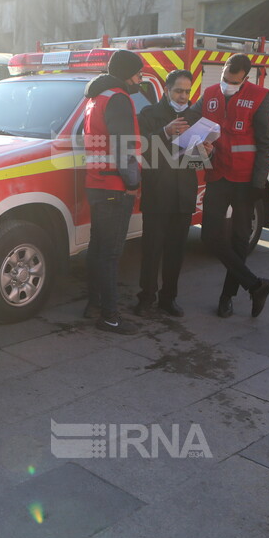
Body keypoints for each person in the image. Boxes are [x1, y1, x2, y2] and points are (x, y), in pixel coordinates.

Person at [195, 53, 269, 319]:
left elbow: (265, 143)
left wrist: (258, 183)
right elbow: (190, 119)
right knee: (209, 236)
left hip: (244, 181)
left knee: (240, 240)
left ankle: (227, 297)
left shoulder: (261, 96)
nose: (227, 84)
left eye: (233, 81)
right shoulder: (209, 94)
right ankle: (255, 285)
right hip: (217, 175)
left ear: (245, 78)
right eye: (224, 78)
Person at [135, 69, 208, 318]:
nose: (183, 96)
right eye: (178, 90)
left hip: (183, 195)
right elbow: (142, 152)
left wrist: (206, 152)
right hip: (157, 193)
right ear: (167, 90)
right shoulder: (149, 114)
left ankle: (169, 298)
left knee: (176, 251)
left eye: (187, 91)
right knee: (152, 250)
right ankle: (146, 298)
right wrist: (165, 132)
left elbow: (195, 163)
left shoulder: (194, 117)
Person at [81, 50, 144, 334]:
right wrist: (132, 184)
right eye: (138, 74)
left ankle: (94, 305)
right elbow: (124, 147)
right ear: (126, 73)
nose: (140, 80)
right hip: (114, 186)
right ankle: (110, 316)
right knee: (110, 254)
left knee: (97, 250)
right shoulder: (118, 98)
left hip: (96, 183)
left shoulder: (96, 97)